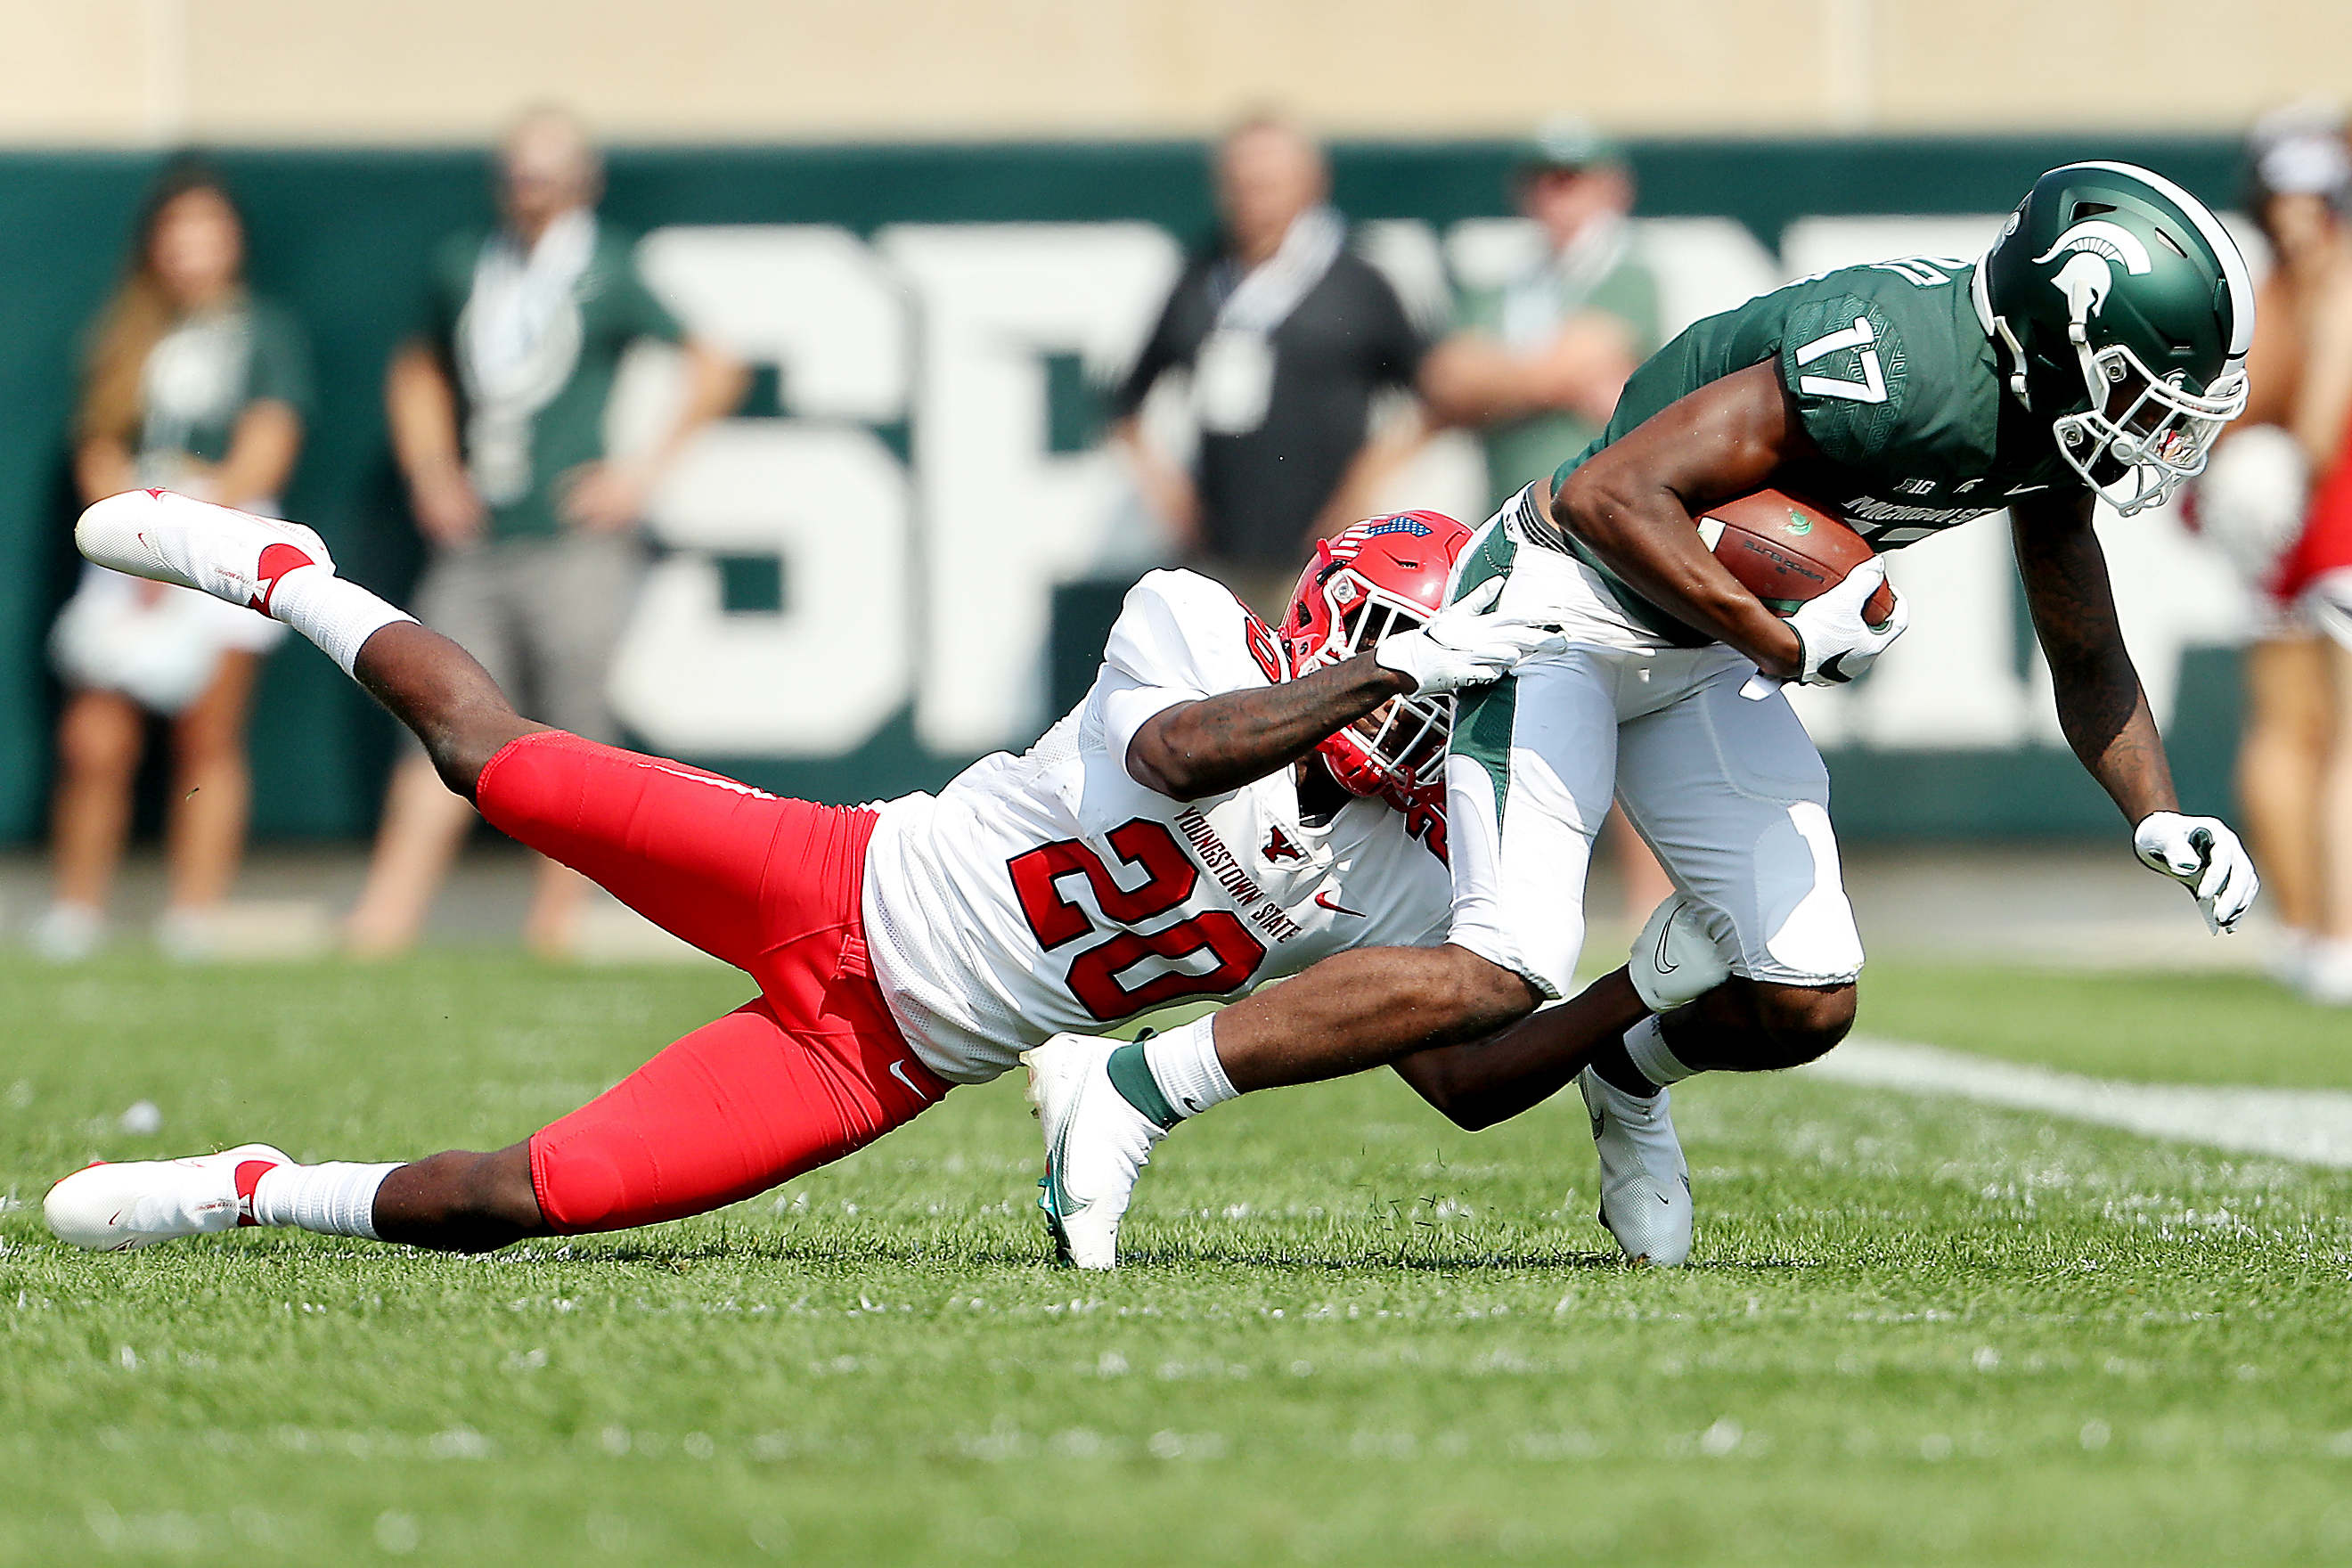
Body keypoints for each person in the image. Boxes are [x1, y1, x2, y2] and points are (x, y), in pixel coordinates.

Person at [1029, 160, 2264, 1270]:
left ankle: (1627, 1075)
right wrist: (1782, 637)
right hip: (1561, 616)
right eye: (2148, 387)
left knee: (1806, 995)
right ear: (2065, 329)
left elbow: (2085, 639)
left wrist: (2156, 817)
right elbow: (1606, 495)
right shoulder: (1898, 362)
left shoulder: (2033, 410)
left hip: (1698, 654)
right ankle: (1135, 1088)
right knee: (1501, 971)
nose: (2162, 425)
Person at [43, 491, 1580, 1256]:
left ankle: (247, 1194)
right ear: (1326, 626)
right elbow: (1183, 758)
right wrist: (1381, 681)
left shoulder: (1399, 867)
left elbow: (1461, 1069)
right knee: (487, 757)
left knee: (530, 1199)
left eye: (1449, 685)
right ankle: (281, 571)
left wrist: (1658, 1006)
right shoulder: (1189, 624)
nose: (1419, 704)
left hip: (877, 1060)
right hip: (832, 877)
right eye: (1399, 663)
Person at [347, 106, 745, 958]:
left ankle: (554, 922)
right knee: (431, 709)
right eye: (519, 175)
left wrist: (639, 474)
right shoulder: (469, 264)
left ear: (582, 183)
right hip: (482, 533)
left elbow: (715, 362)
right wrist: (430, 468)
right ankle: (386, 918)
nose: (531, 194)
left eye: (548, 176)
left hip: (572, 541)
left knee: (570, 732)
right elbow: (417, 365)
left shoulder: (605, 267)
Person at [36, 163, 311, 963]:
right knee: (95, 739)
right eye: (178, 229)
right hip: (130, 539)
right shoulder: (125, 332)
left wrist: (192, 528)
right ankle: (75, 908)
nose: (192, 248)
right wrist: (131, 535)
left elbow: (269, 443)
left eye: (208, 229)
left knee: (208, 736)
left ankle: (194, 912)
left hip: (222, 535)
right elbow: (99, 442)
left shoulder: (264, 331)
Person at [1420, 117, 1674, 936]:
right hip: (1511, 525)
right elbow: (1446, 379)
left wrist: (1505, 378)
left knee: (1627, 703)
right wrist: (1550, 378)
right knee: (1494, 709)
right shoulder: (1507, 285)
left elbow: (1580, 358)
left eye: (1575, 180)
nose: (1558, 199)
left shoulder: (1626, 273)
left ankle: (1651, 905)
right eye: (1546, 181)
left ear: (1612, 188)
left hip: (1603, 525)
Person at [1109, 114, 1432, 616]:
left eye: (1266, 184)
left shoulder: (1355, 284)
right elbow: (1126, 401)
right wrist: (1168, 492)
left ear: (1310, 186)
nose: (1250, 198)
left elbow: (1428, 400)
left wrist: (1363, 489)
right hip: (1219, 549)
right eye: (1238, 184)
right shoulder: (1200, 277)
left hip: (1325, 555)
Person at [2197, 109, 2352, 1004]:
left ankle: (2307, 931)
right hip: (2330, 516)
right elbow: (2324, 425)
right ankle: (2333, 936)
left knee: (2289, 729)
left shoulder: (2274, 290)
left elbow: (2244, 409)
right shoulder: (2324, 281)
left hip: (2293, 528)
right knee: (2326, 738)